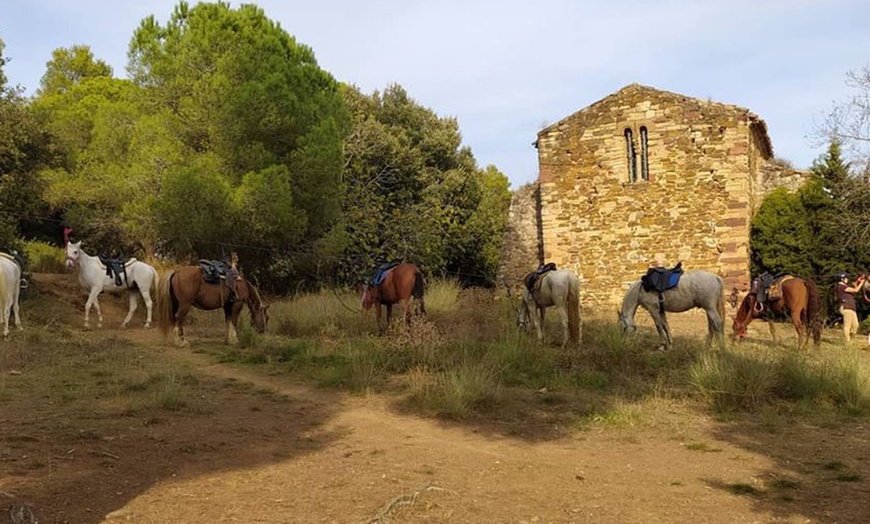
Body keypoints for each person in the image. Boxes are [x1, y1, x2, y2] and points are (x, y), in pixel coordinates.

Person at [836, 273, 864, 343]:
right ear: (842, 279)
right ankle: (847, 342)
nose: (847, 280)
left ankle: (851, 340)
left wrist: (858, 281)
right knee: (847, 325)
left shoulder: (845, 286)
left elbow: (853, 287)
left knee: (856, 325)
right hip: (846, 307)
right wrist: (862, 283)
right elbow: (855, 290)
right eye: (846, 278)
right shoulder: (841, 287)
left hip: (851, 308)